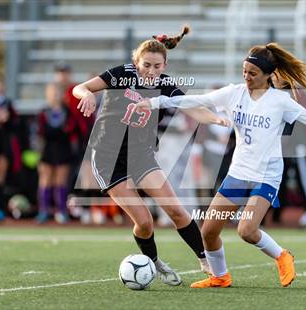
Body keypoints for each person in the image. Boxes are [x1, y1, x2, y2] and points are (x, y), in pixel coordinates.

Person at [138, 42, 306, 288]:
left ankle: (282, 256)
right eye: (244, 71)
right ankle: (220, 276)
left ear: (268, 75)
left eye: (252, 73)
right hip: (239, 172)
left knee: (247, 229)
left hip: (266, 175)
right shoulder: (234, 93)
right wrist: (154, 103)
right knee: (208, 231)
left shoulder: (280, 101)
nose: (246, 77)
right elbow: (194, 100)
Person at [74, 26, 229, 286]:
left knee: (177, 211)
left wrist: (215, 118)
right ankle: (155, 263)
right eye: (146, 65)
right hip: (108, 158)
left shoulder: (165, 84)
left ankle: (205, 259)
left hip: (142, 155)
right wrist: (87, 95)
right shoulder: (122, 74)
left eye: (158, 66)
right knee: (144, 221)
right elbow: (80, 87)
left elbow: (192, 109)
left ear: (165, 64)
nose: (152, 71)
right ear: (137, 62)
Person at [36, 83, 78, 224]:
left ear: (62, 95)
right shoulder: (43, 112)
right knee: (46, 179)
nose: (54, 95)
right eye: (52, 92)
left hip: (63, 150)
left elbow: (71, 130)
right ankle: (44, 210)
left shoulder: (67, 112)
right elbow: (42, 132)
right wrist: (59, 132)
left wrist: (60, 132)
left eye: (57, 92)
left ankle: (61, 211)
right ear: (47, 95)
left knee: (61, 180)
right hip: (47, 150)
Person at [0, 74, 19, 222]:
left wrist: (7, 118)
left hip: (2, 143)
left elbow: (15, 125)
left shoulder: (7, 103)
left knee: (0, 177)